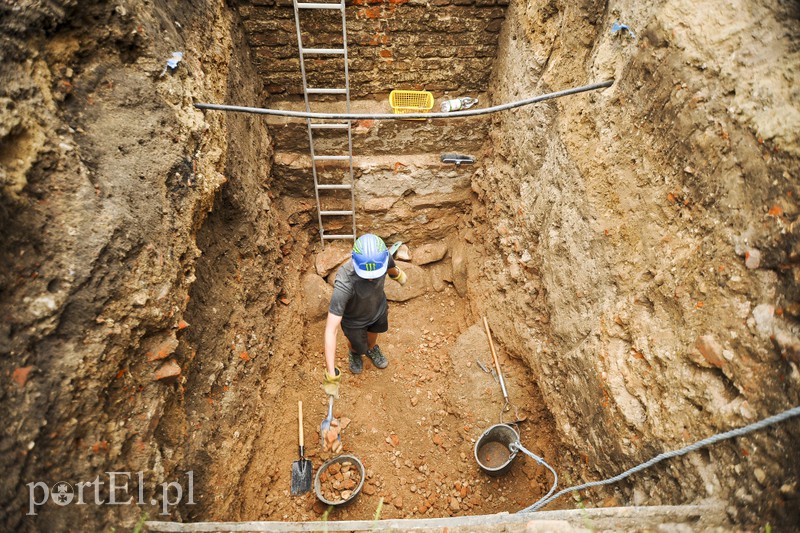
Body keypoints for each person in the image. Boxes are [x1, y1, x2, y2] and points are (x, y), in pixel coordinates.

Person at [322, 234, 407, 400]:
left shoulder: (383, 257)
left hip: (378, 310)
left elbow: (390, 267)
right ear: (354, 261)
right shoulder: (344, 282)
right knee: (357, 344)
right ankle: (355, 352)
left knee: (372, 337)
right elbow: (330, 330)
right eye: (367, 273)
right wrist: (331, 375)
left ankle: (372, 348)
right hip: (354, 322)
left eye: (376, 273)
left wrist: (398, 275)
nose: (372, 277)